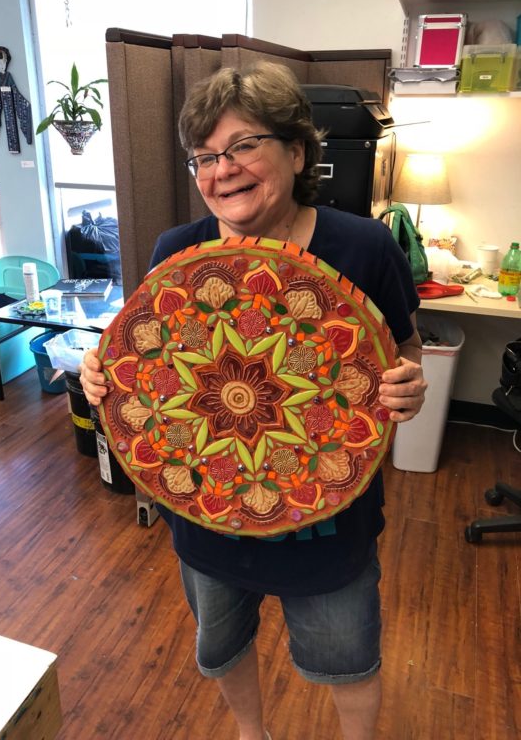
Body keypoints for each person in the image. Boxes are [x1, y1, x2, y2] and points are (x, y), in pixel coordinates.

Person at [80, 61, 426, 740]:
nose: (222, 169)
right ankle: (252, 734)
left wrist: (407, 382)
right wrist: (101, 374)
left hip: (327, 515)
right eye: (204, 157)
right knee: (222, 643)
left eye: (243, 146)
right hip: (209, 510)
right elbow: (148, 361)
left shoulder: (362, 245)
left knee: (346, 657)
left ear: (296, 152)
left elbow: (405, 347)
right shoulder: (176, 251)